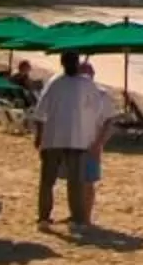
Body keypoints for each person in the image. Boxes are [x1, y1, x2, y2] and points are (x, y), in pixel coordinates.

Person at [33, 51, 115, 231]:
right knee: (70, 182)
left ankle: (48, 219)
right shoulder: (85, 84)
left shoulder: (55, 82)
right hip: (74, 139)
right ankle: (70, 220)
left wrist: (39, 136)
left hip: (57, 139)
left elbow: (40, 113)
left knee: (53, 181)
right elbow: (99, 112)